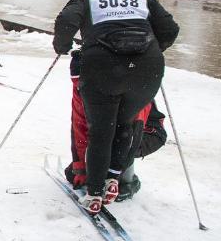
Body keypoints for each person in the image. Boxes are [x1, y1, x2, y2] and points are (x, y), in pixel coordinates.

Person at [52, 0, 179, 213]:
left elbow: (66, 19)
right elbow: (170, 29)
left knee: (101, 130)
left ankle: (95, 192)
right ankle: (113, 178)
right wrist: (153, 49)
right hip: (146, 70)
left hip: (102, 66)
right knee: (125, 123)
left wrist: (63, 45)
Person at [63, 49, 168, 201]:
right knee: (74, 172)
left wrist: (115, 174)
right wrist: (80, 166)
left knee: (116, 143)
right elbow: (79, 125)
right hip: (114, 129)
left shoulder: (123, 85)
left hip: (146, 132)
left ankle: (127, 180)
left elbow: (132, 132)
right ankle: (109, 172)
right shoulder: (82, 88)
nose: (81, 87)